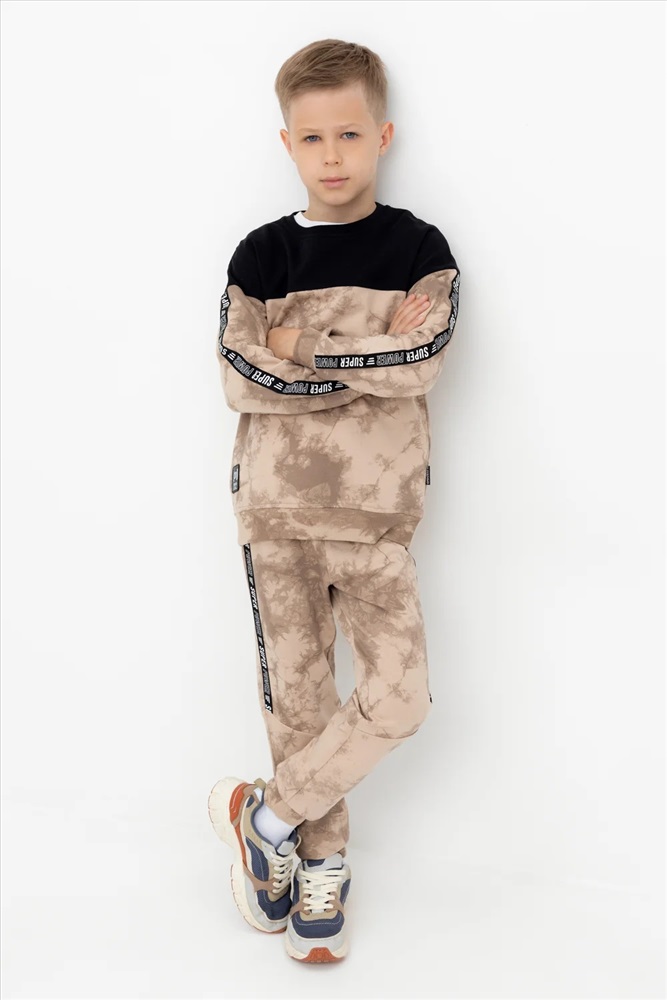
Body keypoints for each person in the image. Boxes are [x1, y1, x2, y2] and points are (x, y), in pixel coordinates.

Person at [208, 37, 460, 964]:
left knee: (401, 698)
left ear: (381, 135)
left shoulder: (419, 248)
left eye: (349, 134)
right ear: (288, 143)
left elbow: (420, 358)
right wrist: (363, 360)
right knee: (300, 707)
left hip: (377, 516)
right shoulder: (261, 253)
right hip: (275, 511)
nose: (332, 154)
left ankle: (265, 817)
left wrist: (303, 350)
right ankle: (319, 867)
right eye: (312, 137)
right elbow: (239, 376)